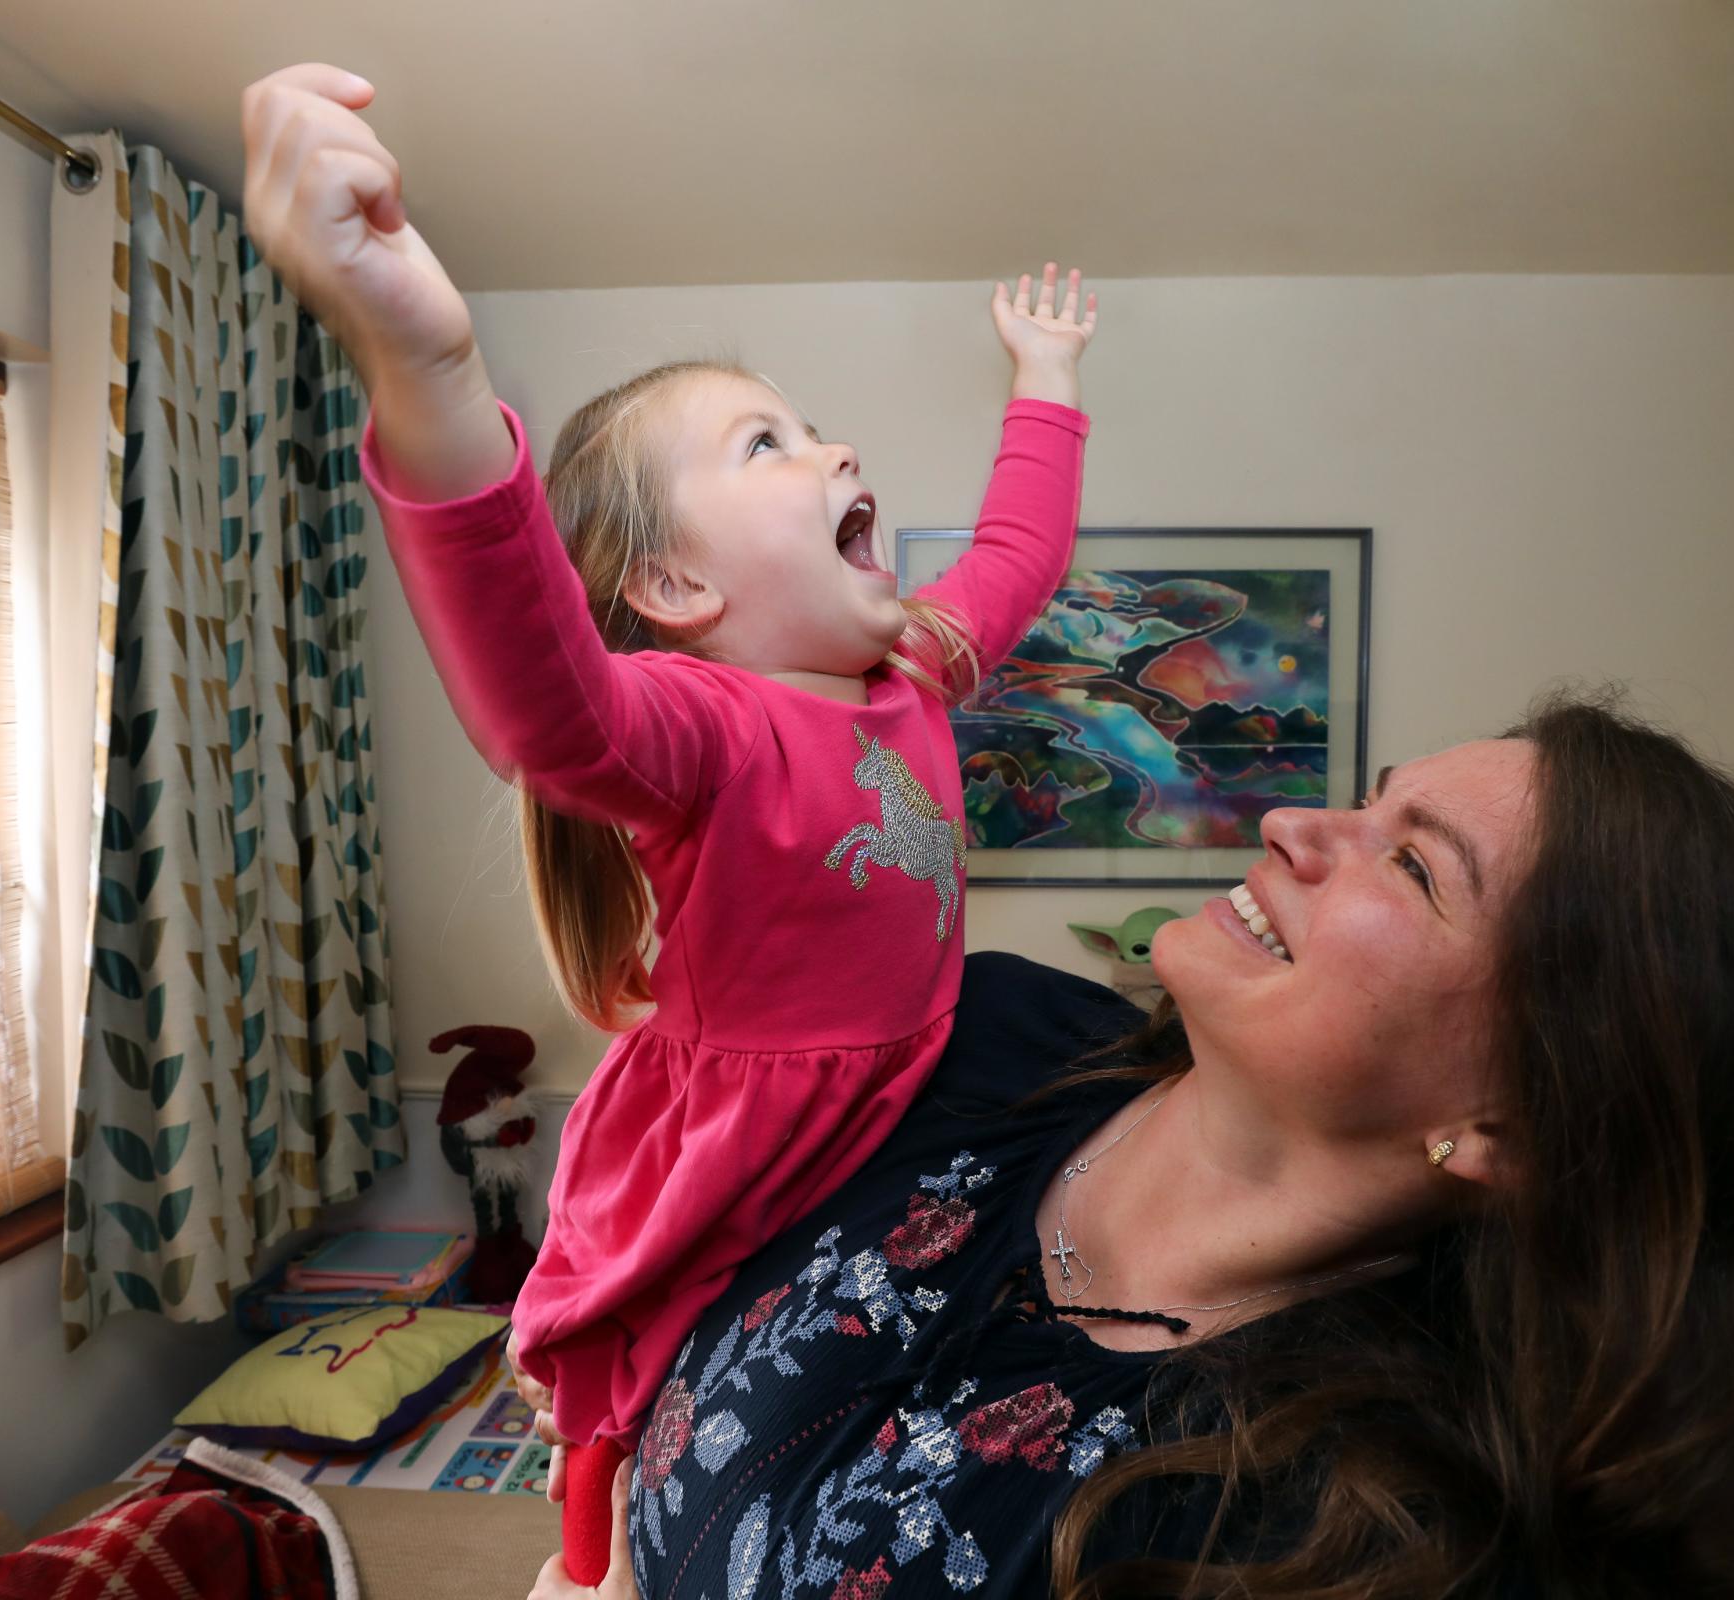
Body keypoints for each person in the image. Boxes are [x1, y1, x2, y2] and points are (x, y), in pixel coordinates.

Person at [238, 63, 1098, 1582]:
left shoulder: (908, 670)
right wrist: (429, 371)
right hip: (756, 1119)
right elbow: (543, 708)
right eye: (767, 445)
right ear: (681, 592)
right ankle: (585, 1561)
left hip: (908, 1072)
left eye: (815, 429)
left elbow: (1020, 556)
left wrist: (1049, 378)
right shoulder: (710, 728)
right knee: (647, 1367)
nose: (836, 452)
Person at [519, 693, 1734, 1598]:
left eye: (1412, 863)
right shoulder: (983, 1038)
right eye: (1375, 796)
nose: (1290, 824)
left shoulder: (1346, 1540)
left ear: (1512, 1122)